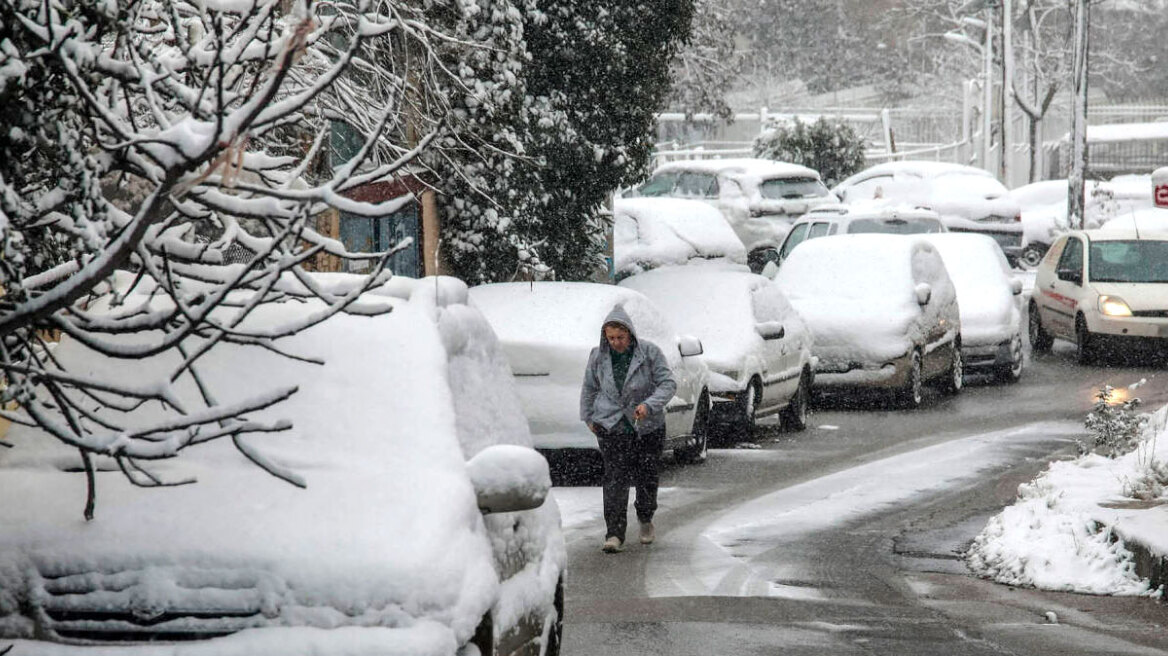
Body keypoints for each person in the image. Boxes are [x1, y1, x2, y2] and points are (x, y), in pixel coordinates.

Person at [580, 304, 677, 553]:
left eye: (620, 337)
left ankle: (645, 518)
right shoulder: (597, 357)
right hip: (611, 426)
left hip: (646, 427)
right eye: (611, 338)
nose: (616, 343)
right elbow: (589, 388)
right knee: (615, 478)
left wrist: (649, 405)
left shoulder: (650, 353)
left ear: (630, 334)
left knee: (646, 476)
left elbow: (668, 384)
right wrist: (588, 417)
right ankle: (614, 533)